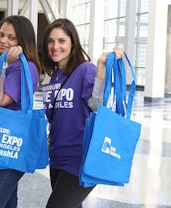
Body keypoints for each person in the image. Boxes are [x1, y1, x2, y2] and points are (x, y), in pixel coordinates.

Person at [39, 18, 123, 208]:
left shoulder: (85, 70)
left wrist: (101, 67)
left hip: (81, 156)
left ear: (72, 43)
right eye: (50, 41)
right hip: (58, 155)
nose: (55, 46)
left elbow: (97, 105)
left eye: (61, 41)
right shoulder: (52, 77)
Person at [0, 15, 42, 208]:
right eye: (1, 35)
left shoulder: (24, 66)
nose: (3, 40)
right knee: (6, 202)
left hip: (11, 143)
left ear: (23, 41)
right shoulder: (5, 63)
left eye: (11, 37)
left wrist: (4, 65)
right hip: (0, 141)